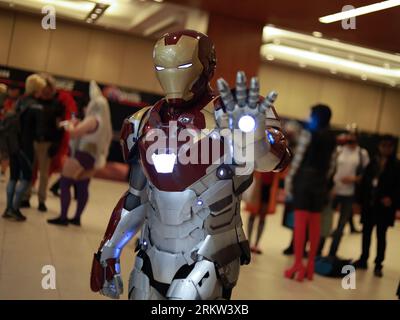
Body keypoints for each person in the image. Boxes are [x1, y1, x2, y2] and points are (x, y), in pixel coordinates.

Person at [90, 30, 291, 300]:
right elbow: (136, 198)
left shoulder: (235, 113)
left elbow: (274, 163)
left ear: (208, 66)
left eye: (183, 66)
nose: (173, 75)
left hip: (208, 257)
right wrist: (109, 250)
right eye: (163, 67)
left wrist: (253, 138)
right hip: (150, 254)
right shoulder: (142, 122)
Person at [47, 81, 112, 226]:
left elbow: (74, 134)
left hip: (83, 154)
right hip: (93, 157)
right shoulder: (103, 122)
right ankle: (76, 218)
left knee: (64, 183)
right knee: (82, 186)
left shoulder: (92, 119)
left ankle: (63, 217)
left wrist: (69, 125)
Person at [284, 104, 336, 281]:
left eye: (311, 114)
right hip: (320, 183)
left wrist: (289, 182)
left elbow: (297, 160)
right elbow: (332, 166)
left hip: (304, 182)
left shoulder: (308, 134)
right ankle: (310, 266)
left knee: (300, 225)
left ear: (316, 117)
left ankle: (298, 265)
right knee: (315, 225)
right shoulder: (332, 137)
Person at [353, 135, 400, 277]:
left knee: (381, 235)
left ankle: (379, 264)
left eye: (389, 146)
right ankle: (363, 259)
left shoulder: (397, 165)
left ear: (392, 148)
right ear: (379, 146)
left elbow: (399, 186)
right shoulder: (373, 162)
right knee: (366, 233)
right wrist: (359, 201)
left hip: (384, 207)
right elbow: (364, 182)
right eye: (383, 145)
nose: (386, 148)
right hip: (369, 204)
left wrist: (392, 199)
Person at [2, 74, 46, 221]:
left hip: (13, 145)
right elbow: (40, 133)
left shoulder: (18, 102)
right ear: (37, 89)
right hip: (26, 148)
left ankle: (8, 208)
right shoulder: (37, 107)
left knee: (13, 177)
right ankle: (15, 208)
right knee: (26, 179)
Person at [23, 74, 65, 211]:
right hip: (32, 140)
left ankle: (42, 200)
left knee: (44, 174)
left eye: (48, 87)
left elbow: (59, 127)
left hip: (47, 143)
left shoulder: (57, 104)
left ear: (52, 89)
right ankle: (25, 197)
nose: (46, 90)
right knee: (29, 170)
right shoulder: (35, 101)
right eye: (43, 87)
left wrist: (56, 143)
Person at [328, 128, 369, 258]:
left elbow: (367, 174)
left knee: (341, 226)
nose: (350, 139)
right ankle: (318, 250)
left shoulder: (362, 154)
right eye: (348, 136)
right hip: (334, 190)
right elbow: (331, 168)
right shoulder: (339, 150)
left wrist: (354, 179)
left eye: (353, 136)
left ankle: (332, 253)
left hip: (349, 193)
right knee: (326, 222)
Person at [244, 171, 280, 254]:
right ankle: (249, 242)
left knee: (262, 216)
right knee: (253, 213)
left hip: (268, 185)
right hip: (258, 182)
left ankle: (256, 244)